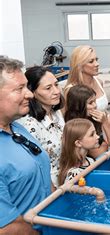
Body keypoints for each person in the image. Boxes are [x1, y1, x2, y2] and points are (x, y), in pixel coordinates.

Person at [0, 56, 51, 234]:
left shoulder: (18, 127)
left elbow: (43, 175)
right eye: (19, 88)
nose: (29, 94)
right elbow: (7, 228)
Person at [17, 66, 65, 187]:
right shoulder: (29, 125)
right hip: (51, 187)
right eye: (48, 88)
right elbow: (37, 168)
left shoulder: (56, 113)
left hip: (67, 176)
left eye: (56, 85)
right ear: (32, 93)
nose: (56, 91)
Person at [64, 45, 110, 126]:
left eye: (96, 60)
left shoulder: (99, 82)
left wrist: (108, 115)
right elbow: (67, 121)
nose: (97, 64)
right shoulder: (71, 90)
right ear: (79, 66)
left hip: (104, 130)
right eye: (91, 61)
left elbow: (100, 109)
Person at [64, 85, 110, 159]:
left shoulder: (95, 117)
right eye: (90, 103)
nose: (95, 105)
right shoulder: (76, 126)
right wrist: (105, 144)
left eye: (95, 101)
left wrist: (105, 122)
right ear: (78, 106)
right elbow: (99, 154)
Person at [58, 118, 99, 185]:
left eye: (95, 133)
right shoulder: (74, 173)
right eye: (92, 135)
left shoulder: (90, 160)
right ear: (78, 143)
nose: (97, 137)